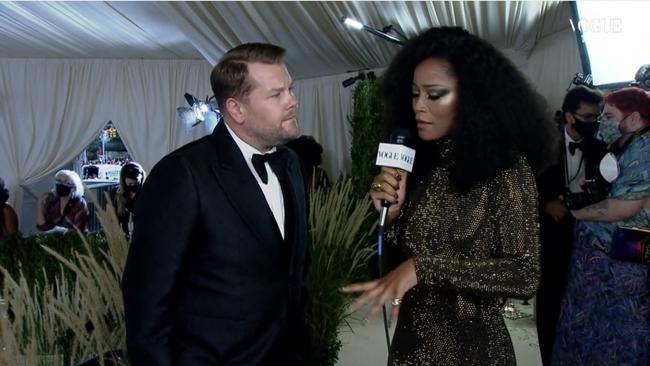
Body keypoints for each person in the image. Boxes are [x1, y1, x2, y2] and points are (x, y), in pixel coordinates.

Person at [341, 27, 556, 365]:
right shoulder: (422, 166)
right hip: (410, 350)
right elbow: (391, 268)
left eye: (434, 94)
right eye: (414, 94)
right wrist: (390, 218)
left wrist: (425, 267)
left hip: (474, 352)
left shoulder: (506, 170)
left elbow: (524, 273)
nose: (418, 107)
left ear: (472, 98)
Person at [122, 43, 311, 365]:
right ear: (237, 109)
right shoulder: (181, 174)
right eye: (276, 94)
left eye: (290, 89)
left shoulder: (290, 162)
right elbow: (146, 301)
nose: (292, 101)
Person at [552, 87, 650, 365]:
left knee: (613, 334)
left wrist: (576, 212)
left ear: (633, 118)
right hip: (601, 263)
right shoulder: (626, 144)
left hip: (619, 263)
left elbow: (625, 207)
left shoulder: (646, 149)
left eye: (608, 115)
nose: (601, 122)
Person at [534, 85, 604, 365]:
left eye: (597, 117)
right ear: (568, 116)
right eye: (587, 117)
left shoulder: (599, 148)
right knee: (551, 299)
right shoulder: (540, 144)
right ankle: (547, 355)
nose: (593, 123)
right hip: (551, 234)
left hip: (587, 236)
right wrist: (546, 203)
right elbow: (524, 185)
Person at [36, 169, 89, 234]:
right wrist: (40, 204)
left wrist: (63, 232)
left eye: (66, 182)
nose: (61, 184)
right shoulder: (53, 201)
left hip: (72, 241)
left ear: (74, 188)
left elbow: (80, 231)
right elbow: (42, 226)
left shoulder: (79, 204)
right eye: (59, 181)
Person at [109, 162, 145, 240]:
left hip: (141, 237)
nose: (133, 185)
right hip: (122, 237)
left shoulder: (146, 193)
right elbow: (112, 216)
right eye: (130, 183)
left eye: (136, 182)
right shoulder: (116, 194)